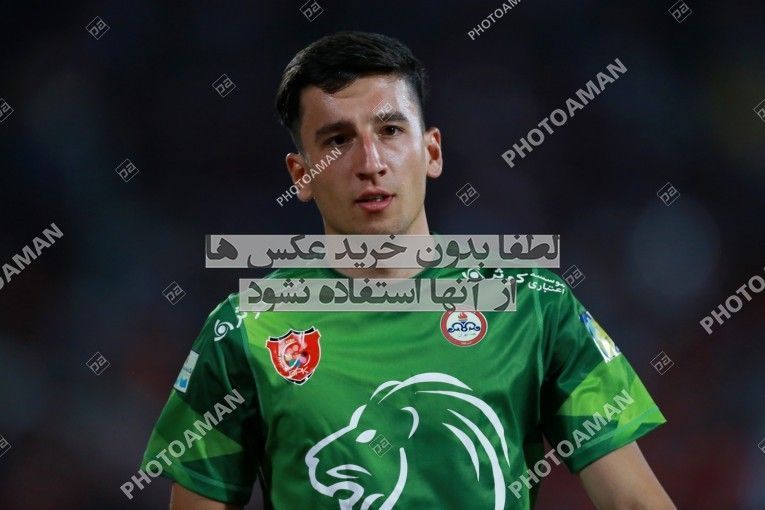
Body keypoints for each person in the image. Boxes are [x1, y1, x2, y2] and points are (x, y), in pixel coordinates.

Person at [141, 31, 676, 509]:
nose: (370, 162)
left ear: (432, 150)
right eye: (338, 140)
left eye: (391, 130)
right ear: (301, 174)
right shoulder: (245, 329)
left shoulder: (535, 305)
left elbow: (634, 502)